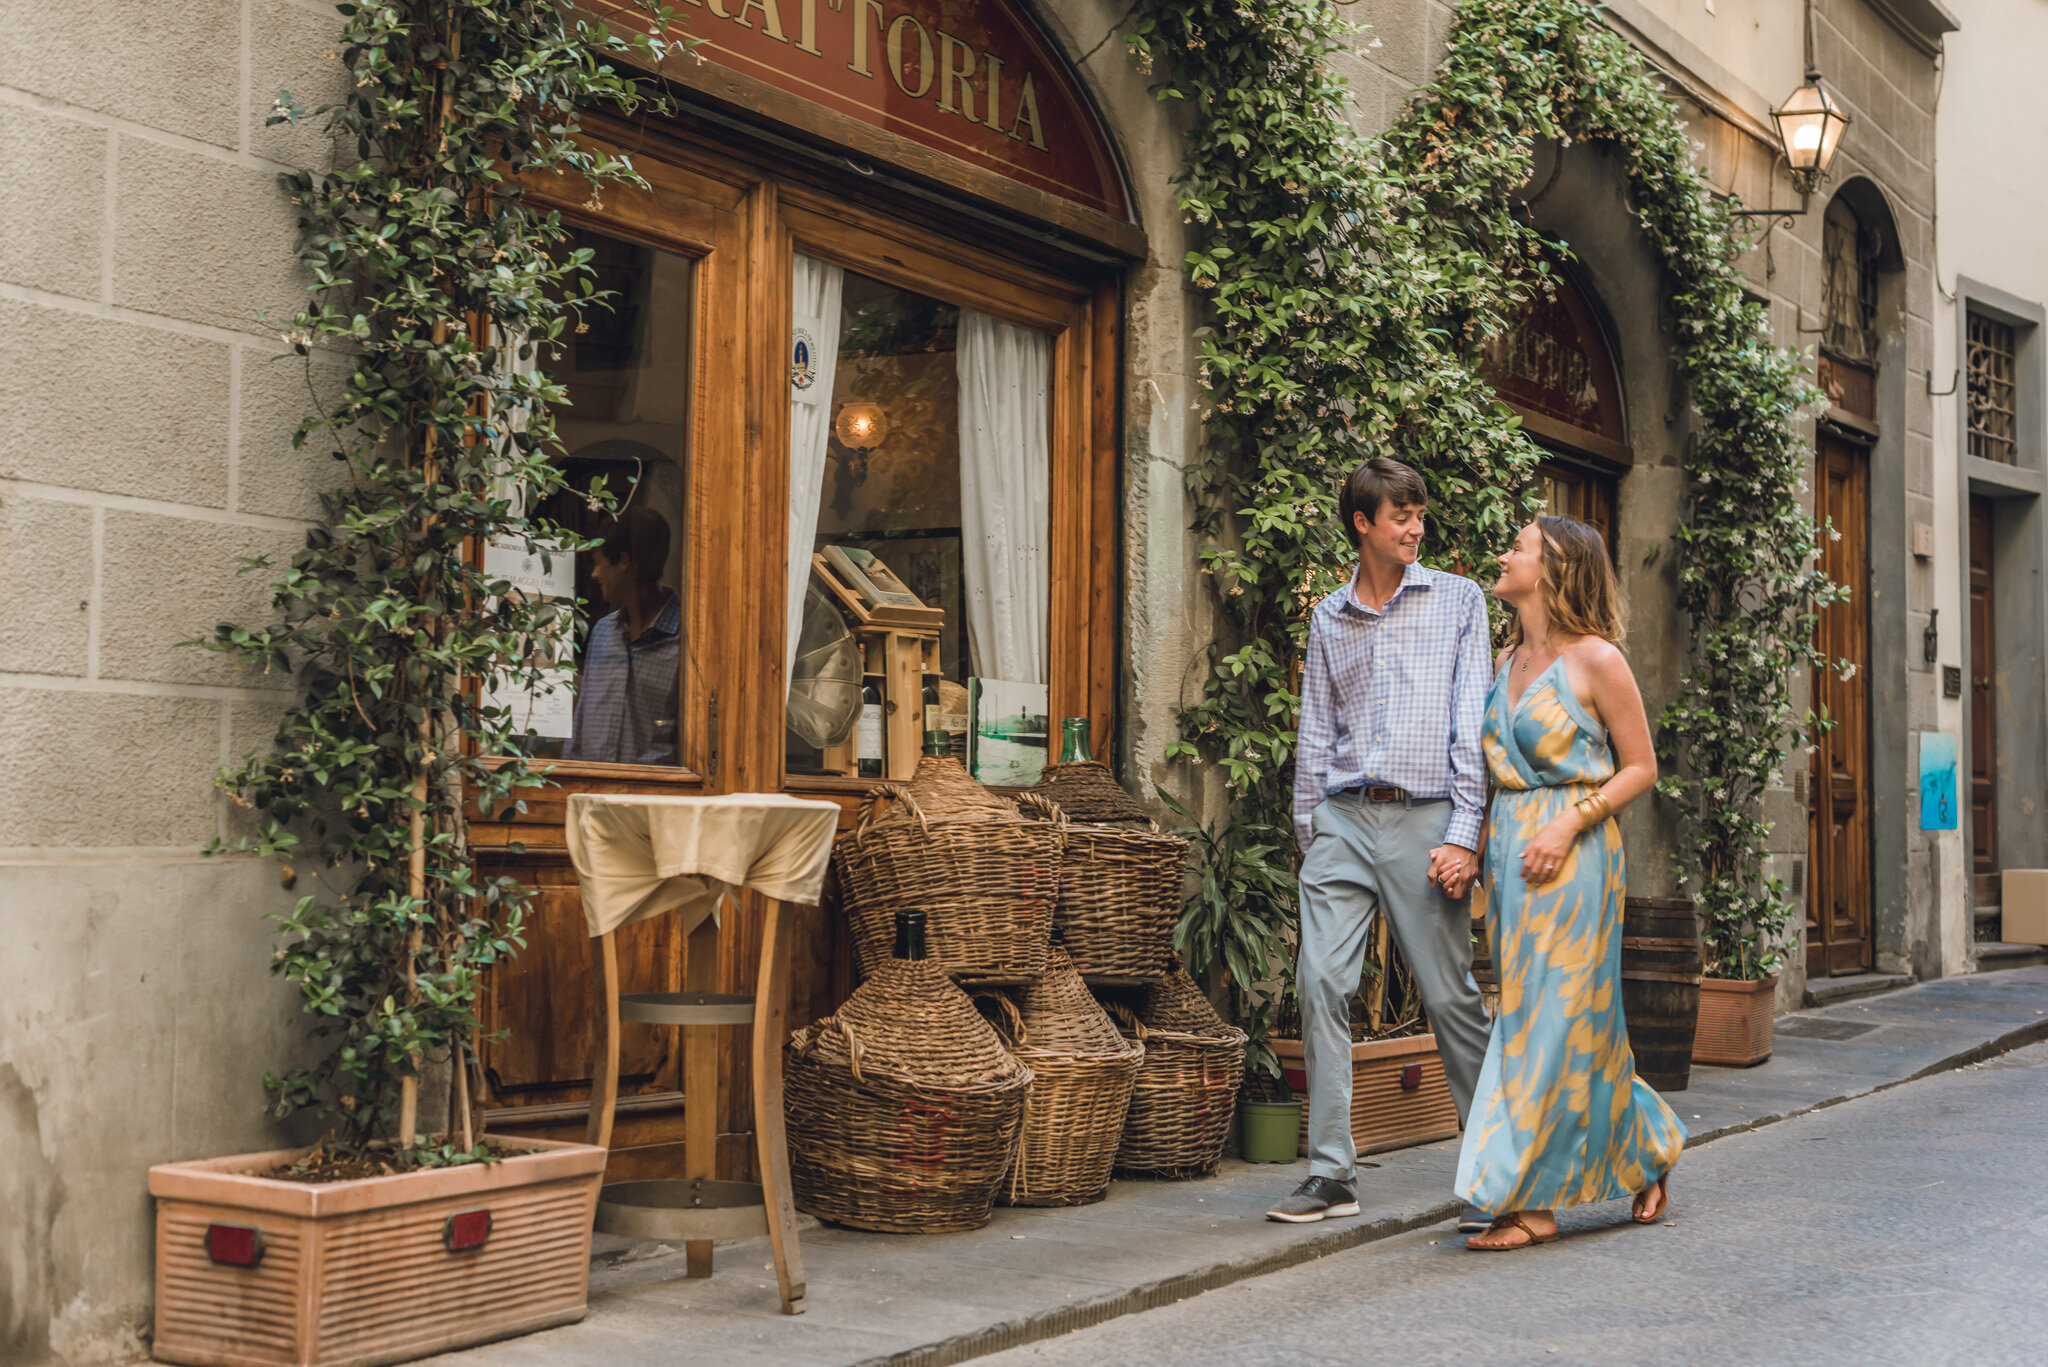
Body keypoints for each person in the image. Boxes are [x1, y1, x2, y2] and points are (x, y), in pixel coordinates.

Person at [1267, 457, 1495, 1231]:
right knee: (1319, 983)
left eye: (1420, 514)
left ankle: (1494, 1166)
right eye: (1402, 515)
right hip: (1342, 817)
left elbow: (1472, 722)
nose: (1416, 527)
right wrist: (1312, 830)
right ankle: (1332, 1172)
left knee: (1449, 994)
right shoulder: (1330, 618)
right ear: (1363, 523)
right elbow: (1315, 728)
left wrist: (1465, 832)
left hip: (1426, 819)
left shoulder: (1458, 600)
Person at [1457, 516, 1686, 1250]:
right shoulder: (1504, 659)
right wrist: (1478, 849)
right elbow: (1497, 773)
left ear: (1554, 569)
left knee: (1550, 1021)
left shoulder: (1597, 660)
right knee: (1553, 1020)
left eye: (1518, 547)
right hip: (1513, 857)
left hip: (1576, 855)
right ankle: (1646, 1148)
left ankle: (1533, 1201)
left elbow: (1641, 767)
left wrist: (1567, 825)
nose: (1503, 555)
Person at [566, 505, 682, 766]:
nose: (594, 574)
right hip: (592, 786)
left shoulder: (686, 640)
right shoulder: (603, 632)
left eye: (598, 563)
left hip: (654, 791)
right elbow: (580, 728)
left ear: (623, 561)